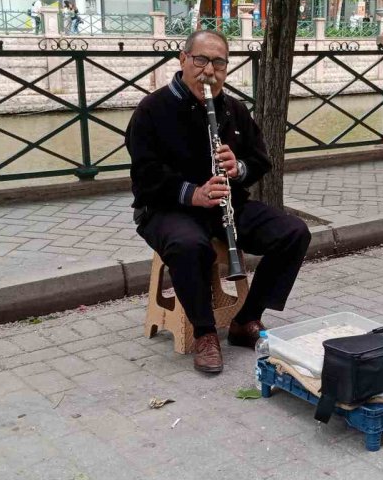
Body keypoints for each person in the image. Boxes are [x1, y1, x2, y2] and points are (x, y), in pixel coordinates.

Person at [125, 30, 311, 374]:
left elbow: (260, 160)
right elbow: (145, 176)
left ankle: (247, 319)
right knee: (189, 245)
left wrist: (237, 168)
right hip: (167, 208)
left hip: (225, 206)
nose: (209, 71)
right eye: (201, 60)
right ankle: (205, 332)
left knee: (294, 232)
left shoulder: (233, 109)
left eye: (219, 63)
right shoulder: (152, 110)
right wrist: (192, 193)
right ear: (182, 60)